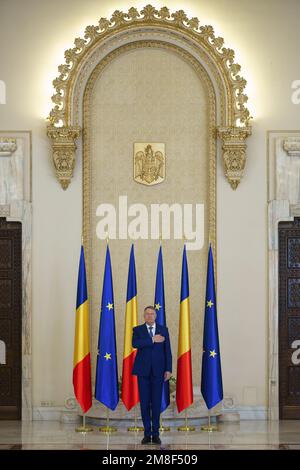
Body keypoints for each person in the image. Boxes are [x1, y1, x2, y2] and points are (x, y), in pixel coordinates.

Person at [132, 305, 172, 445]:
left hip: (158, 372)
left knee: (155, 403)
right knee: (144, 404)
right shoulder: (138, 330)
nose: (149, 316)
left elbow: (168, 351)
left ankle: (155, 434)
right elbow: (135, 344)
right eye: (147, 314)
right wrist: (152, 340)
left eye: (152, 314)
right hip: (143, 372)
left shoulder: (163, 330)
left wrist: (168, 369)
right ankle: (146, 433)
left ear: (156, 316)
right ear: (144, 316)